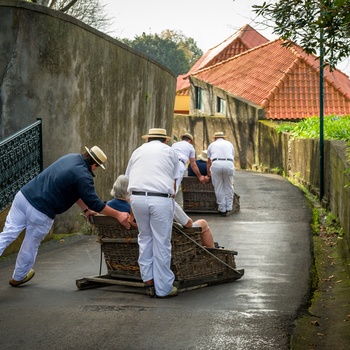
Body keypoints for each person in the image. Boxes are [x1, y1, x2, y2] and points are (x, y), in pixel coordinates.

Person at [0, 146, 130, 287]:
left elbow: (74, 191)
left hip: (23, 197)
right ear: (94, 165)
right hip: (41, 211)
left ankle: (19, 274)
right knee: (30, 243)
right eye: (97, 167)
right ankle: (18, 276)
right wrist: (117, 214)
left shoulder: (70, 158)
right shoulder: (83, 175)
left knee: (8, 234)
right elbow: (95, 203)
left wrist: (86, 210)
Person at [125, 128, 181, 298]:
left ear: (148, 139)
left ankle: (148, 280)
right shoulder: (170, 151)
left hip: (137, 198)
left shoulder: (138, 151)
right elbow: (174, 180)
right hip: (160, 199)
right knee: (161, 242)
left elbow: (129, 177)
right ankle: (163, 288)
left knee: (145, 238)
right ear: (164, 140)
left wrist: (131, 211)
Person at [207, 132, 235, 216]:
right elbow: (233, 157)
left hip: (216, 163)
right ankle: (229, 206)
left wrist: (208, 173)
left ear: (215, 138)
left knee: (218, 187)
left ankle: (222, 208)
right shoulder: (229, 144)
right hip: (228, 163)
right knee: (228, 185)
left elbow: (209, 161)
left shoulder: (211, 145)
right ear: (224, 138)